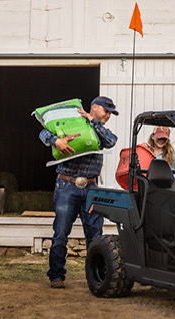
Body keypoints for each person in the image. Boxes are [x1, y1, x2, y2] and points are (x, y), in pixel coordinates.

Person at [39, 96, 118, 288]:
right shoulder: (72, 121)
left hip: (91, 187)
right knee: (60, 233)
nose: (108, 115)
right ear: (95, 107)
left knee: (95, 236)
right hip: (67, 185)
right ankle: (56, 275)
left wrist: (93, 121)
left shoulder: (99, 129)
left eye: (110, 113)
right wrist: (56, 141)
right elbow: (43, 133)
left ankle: (96, 277)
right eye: (106, 111)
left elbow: (111, 141)